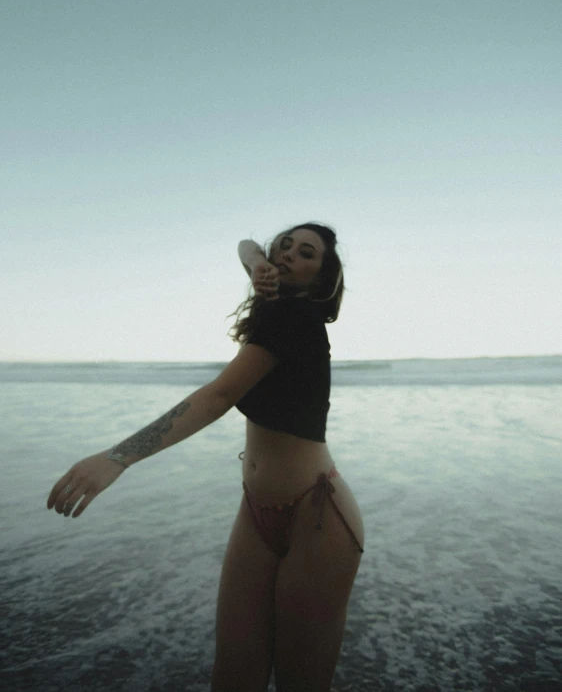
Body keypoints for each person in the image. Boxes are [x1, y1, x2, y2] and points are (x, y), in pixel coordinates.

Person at [47, 222, 365, 692]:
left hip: (316, 516)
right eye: (285, 245)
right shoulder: (272, 304)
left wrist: (118, 457)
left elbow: (218, 396)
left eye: (306, 254)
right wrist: (258, 261)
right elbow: (246, 244)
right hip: (257, 511)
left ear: (320, 279)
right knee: (233, 680)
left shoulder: (295, 320)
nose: (288, 254)